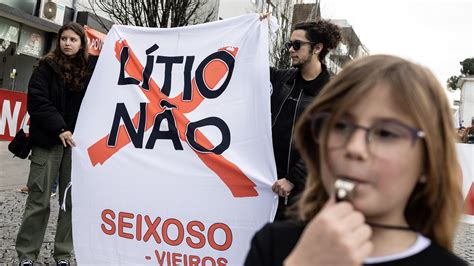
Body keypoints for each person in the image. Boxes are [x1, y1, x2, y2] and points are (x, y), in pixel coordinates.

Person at [245, 55, 468, 265]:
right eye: (340, 126)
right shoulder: (273, 245)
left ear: (428, 162)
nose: (354, 148)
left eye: (385, 134)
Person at [15, 22, 93, 266]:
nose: (67, 43)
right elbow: (38, 102)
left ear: (82, 44)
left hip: (76, 146)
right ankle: (27, 254)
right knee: (38, 200)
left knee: (69, 201)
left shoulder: (91, 71)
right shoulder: (45, 67)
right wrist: (60, 128)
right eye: (64, 39)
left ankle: (62, 254)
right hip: (47, 143)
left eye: (73, 39)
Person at [265, 16, 342, 220]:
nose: (290, 49)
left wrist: (292, 179)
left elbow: (327, 145)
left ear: (317, 48)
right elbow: (248, 65)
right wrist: (257, 27)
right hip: (266, 189)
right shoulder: (283, 79)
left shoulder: (331, 93)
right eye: (289, 44)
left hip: (301, 197)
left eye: (297, 45)